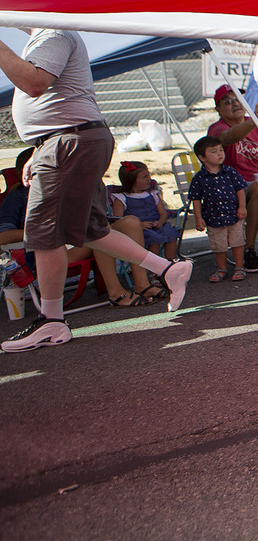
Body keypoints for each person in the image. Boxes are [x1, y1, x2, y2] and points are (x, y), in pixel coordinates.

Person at [0, 29, 193, 351]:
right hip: (67, 140)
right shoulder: (48, 37)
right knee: (91, 229)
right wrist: (41, 147)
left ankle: (51, 321)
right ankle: (168, 269)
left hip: (68, 141)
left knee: (44, 232)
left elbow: (34, 84)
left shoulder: (54, 32)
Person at [0, 149, 161, 308]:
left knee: (130, 222)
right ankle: (116, 293)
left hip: (79, 240)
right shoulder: (18, 196)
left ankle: (142, 284)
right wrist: (52, 230)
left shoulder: (63, 190)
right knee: (98, 234)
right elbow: (4, 236)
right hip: (49, 251)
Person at [208, 84, 258, 273]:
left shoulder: (256, 124)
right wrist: (255, 121)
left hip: (252, 180)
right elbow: (228, 137)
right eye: (227, 102)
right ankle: (248, 249)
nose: (235, 104)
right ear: (218, 109)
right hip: (226, 186)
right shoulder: (217, 128)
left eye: (238, 100)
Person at [187, 136, 249, 283]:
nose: (220, 154)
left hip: (233, 214)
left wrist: (242, 207)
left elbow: (240, 190)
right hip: (213, 217)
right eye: (214, 152)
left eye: (221, 150)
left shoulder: (230, 172)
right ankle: (222, 268)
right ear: (202, 157)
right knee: (218, 245)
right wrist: (198, 217)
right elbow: (196, 199)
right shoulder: (199, 178)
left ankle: (239, 267)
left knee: (237, 241)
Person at [111, 161, 179, 260]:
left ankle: (170, 264)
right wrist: (139, 225)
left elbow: (163, 213)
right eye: (145, 177)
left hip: (156, 226)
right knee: (153, 240)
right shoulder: (122, 198)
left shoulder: (152, 194)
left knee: (172, 235)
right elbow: (118, 220)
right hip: (138, 231)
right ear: (132, 180)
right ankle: (155, 271)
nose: (149, 179)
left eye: (149, 175)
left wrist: (160, 222)